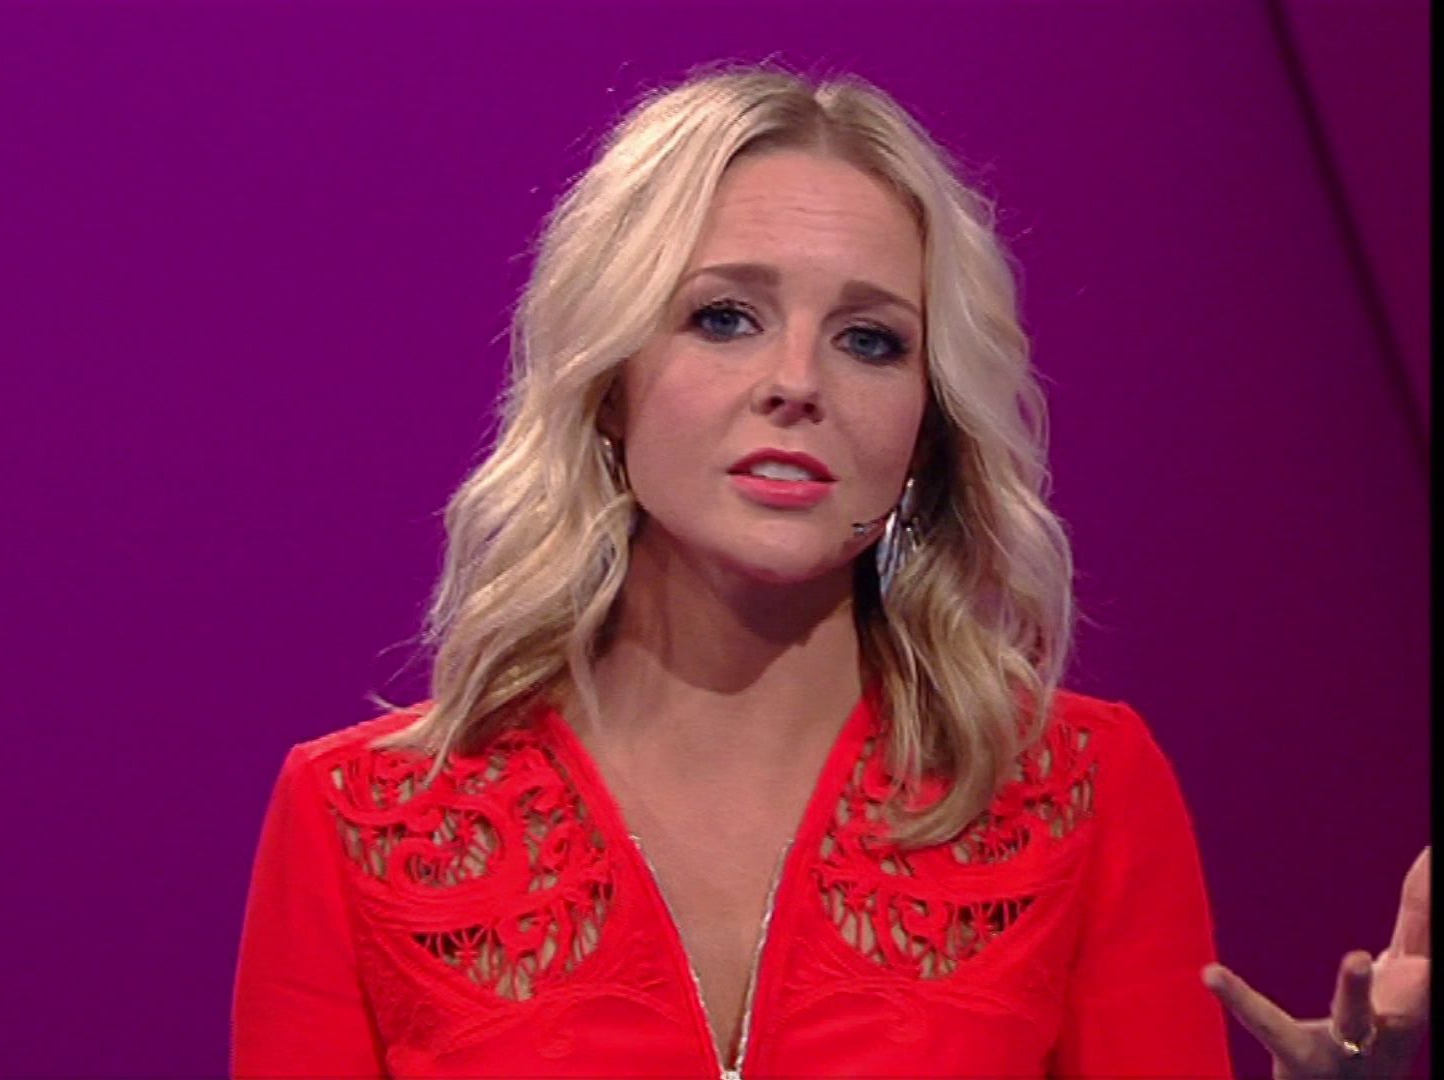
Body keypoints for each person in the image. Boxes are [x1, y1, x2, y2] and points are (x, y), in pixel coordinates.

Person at [229, 62, 1430, 1078]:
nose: (797, 382)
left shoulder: (1079, 790)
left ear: (927, 427)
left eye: (870, 339)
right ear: (608, 386)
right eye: (724, 317)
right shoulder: (359, 819)